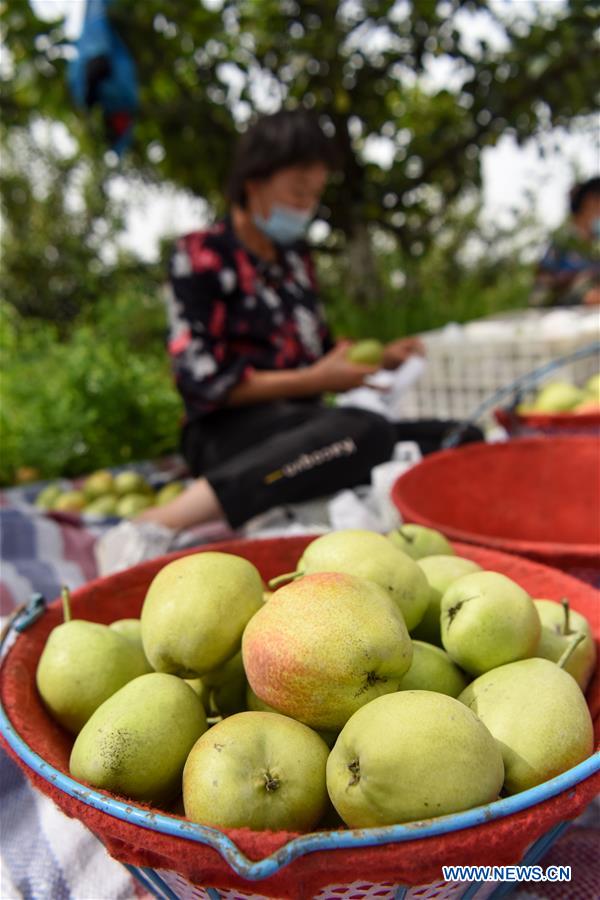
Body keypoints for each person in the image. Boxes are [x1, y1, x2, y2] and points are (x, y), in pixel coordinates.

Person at [95, 109, 480, 575]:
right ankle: (155, 524)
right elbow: (202, 381)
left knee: (459, 437)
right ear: (254, 181)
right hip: (227, 431)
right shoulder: (201, 255)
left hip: (302, 428)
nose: (306, 206)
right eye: (299, 190)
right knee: (365, 431)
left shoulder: (295, 260)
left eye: (314, 195)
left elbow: (316, 349)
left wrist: (377, 357)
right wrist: (313, 379)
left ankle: (305, 492)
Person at [530, 176, 600, 307]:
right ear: (590, 202)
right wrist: (580, 298)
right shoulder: (560, 246)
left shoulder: (596, 247)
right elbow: (539, 298)